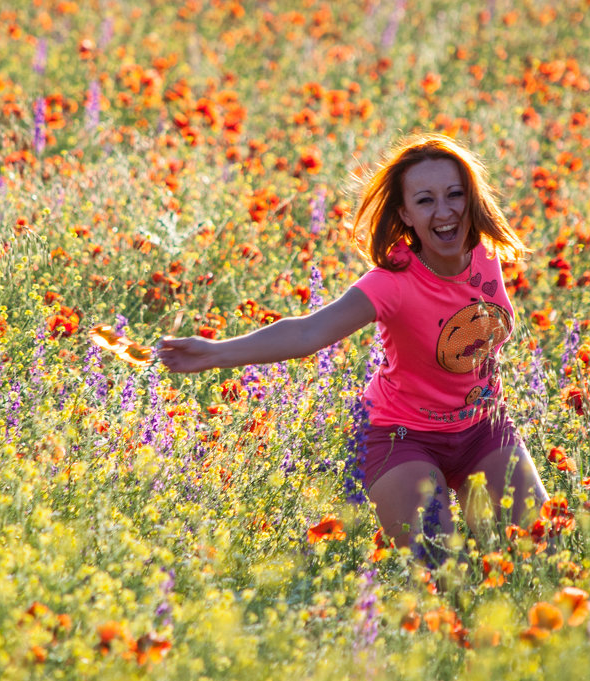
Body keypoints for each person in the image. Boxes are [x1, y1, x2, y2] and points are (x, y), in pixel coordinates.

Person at [157, 132, 549, 559]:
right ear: (405, 214)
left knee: (545, 549)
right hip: (403, 437)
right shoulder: (392, 284)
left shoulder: (485, 253)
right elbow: (309, 333)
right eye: (425, 201)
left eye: (455, 194)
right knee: (441, 568)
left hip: (483, 428)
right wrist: (216, 353)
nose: (445, 212)